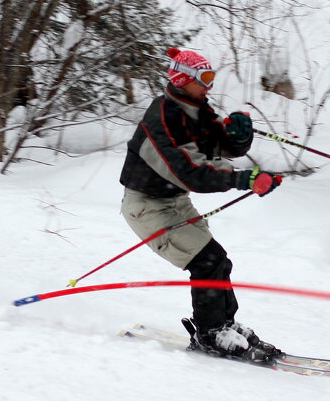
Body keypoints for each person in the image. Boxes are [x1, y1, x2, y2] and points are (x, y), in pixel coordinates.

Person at [119, 48, 284, 363]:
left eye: (212, 77)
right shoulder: (163, 117)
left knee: (218, 261)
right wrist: (246, 180)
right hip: (147, 205)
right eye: (205, 78)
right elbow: (193, 172)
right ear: (183, 79)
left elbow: (220, 146)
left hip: (174, 200)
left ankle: (224, 324)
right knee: (205, 262)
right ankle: (209, 333)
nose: (210, 85)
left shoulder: (195, 109)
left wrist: (239, 138)